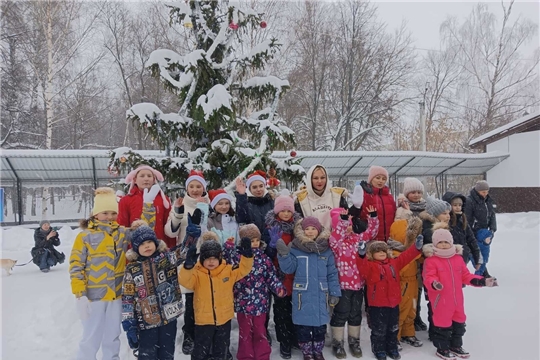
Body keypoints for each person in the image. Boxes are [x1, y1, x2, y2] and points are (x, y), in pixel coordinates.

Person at [70, 187, 147, 360]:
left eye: (113, 213)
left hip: (116, 294)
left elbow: (143, 233)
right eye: (105, 212)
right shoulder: (85, 236)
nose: (109, 217)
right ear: (95, 214)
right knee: (91, 335)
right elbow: (76, 266)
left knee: (112, 335)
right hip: (93, 296)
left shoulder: (121, 233)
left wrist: (147, 205)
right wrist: (80, 294)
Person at [422, 225, 498, 360]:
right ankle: (442, 348)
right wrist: (434, 284)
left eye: (446, 242)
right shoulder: (431, 261)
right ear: (434, 244)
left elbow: (466, 276)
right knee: (443, 324)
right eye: (440, 242)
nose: (444, 245)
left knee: (459, 322)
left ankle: (456, 345)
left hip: (457, 299)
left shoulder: (457, 259)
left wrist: (482, 281)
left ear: (451, 242)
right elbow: (428, 277)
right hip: (441, 299)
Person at [275, 217, 341, 360]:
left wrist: (335, 292)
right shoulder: (296, 248)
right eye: (307, 229)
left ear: (319, 231)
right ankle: (307, 352)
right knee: (304, 327)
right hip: (302, 296)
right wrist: (284, 255)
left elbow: (332, 273)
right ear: (302, 231)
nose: (310, 232)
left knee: (319, 327)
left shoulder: (326, 250)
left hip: (320, 294)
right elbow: (288, 268)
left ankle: (317, 351)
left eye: (313, 229)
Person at [179, 237, 254, 360]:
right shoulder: (197, 273)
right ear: (202, 258)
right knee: (200, 351)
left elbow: (244, 269)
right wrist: (188, 266)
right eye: (208, 258)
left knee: (221, 350)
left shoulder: (228, 270)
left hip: (224, 320)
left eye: (214, 258)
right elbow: (184, 281)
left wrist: (247, 256)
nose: (211, 261)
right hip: (203, 321)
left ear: (219, 257)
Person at [223, 225, 287, 360]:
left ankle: (262, 355)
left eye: (257, 240)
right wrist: (228, 248)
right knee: (245, 332)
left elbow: (271, 276)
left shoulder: (264, 259)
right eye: (251, 241)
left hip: (260, 303)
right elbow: (226, 264)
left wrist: (278, 288)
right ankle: (246, 356)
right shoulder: (237, 257)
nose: (255, 243)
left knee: (260, 331)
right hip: (243, 303)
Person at [121, 226, 184, 360]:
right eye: (142, 244)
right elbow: (127, 298)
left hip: (169, 319)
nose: (147, 246)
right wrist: (129, 324)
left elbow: (185, 250)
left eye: (149, 242)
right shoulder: (132, 269)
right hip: (145, 322)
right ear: (136, 248)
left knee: (167, 354)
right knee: (147, 355)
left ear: (155, 243)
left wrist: (192, 234)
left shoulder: (166, 259)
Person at [356, 235, 424, 360]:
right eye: (377, 251)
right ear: (371, 254)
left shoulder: (394, 263)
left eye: (383, 250)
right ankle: (379, 349)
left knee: (393, 328)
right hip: (377, 304)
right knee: (379, 329)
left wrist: (416, 247)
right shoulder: (370, 266)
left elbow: (406, 257)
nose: (381, 253)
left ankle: (391, 347)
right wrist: (361, 255)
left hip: (393, 303)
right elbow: (361, 266)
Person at [164, 169, 209, 354]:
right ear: (187, 188)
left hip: (208, 256)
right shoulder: (181, 205)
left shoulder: (210, 205)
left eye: (199, 186)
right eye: (192, 186)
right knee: (190, 298)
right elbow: (170, 232)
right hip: (188, 257)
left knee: (205, 297)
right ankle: (189, 333)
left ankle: (204, 332)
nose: (196, 189)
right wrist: (177, 213)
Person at [328, 206, 378, 359]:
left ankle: (353, 341)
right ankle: (337, 342)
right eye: (343, 225)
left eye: (349, 224)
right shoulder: (335, 243)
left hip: (358, 285)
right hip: (342, 287)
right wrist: (342, 222)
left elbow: (371, 233)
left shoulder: (358, 239)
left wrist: (373, 217)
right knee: (341, 314)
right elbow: (336, 236)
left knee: (355, 314)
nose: (347, 227)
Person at [265, 191, 302, 359]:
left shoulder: (299, 227)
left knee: (296, 309)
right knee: (281, 311)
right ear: (276, 211)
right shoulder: (271, 227)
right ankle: (284, 341)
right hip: (278, 276)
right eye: (283, 210)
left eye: (289, 211)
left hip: (296, 275)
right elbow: (267, 253)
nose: (286, 214)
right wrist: (272, 246)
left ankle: (294, 337)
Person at [394, 177, 427, 332]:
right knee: (408, 289)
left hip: (422, 253)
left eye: (418, 192)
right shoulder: (402, 209)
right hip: (408, 252)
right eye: (412, 192)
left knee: (418, 289)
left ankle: (416, 315)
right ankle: (406, 319)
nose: (416, 195)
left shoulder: (426, 208)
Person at [387, 216, 423, 348]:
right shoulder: (394, 252)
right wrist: (411, 253)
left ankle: (408, 333)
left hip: (413, 283)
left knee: (412, 310)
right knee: (401, 311)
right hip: (402, 285)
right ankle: (395, 336)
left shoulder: (412, 250)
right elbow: (398, 268)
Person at [118, 165, 175, 248]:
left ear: (154, 179)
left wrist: (171, 247)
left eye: (149, 176)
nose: (146, 179)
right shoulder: (126, 200)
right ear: (135, 180)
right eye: (142, 176)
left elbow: (168, 225)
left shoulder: (163, 199)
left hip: (158, 245)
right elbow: (122, 226)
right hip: (136, 247)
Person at [419, 196, 452, 339]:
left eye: (448, 213)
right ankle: (435, 330)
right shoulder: (429, 229)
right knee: (435, 301)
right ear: (434, 214)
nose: (448, 216)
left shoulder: (447, 227)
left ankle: (442, 327)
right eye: (444, 213)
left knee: (443, 300)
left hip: (446, 272)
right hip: (433, 273)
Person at [294, 164, 363, 232]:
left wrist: (356, 207)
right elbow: (298, 226)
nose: (319, 181)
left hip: (335, 240)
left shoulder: (337, 196)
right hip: (312, 241)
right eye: (315, 178)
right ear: (310, 180)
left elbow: (348, 218)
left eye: (322, 177)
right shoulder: (301, 200)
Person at [464, 180, 497, 278]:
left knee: (481, 253)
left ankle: (482, 272)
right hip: (474, 232)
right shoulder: (469, 201)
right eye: (483, 192)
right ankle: (481, 273)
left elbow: (492, 215)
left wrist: (492, 229)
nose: (485, 194)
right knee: (474, 253)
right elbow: (467, 218)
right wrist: (470, 233)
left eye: (487, 191)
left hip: (484, 232)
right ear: (477, 191)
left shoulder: (488, 201)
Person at [441, 192, 482, 268]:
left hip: (462, 256)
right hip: (448, 257)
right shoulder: (445, 221)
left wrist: (477, 258)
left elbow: (471, 239)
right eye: (455, 205)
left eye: (460, 205)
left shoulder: (462, 220)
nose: (457, 207)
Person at [235, 171, 275, 248]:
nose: (258, 189)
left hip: (270, 241)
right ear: (249, 188)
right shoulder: (246, 203)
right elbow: (241, 218)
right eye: (254, 187)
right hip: (254, 243)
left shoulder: (271, 201)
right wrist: (241, 196)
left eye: (261, 186)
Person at [360, 166, 396, 242]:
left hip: (389, 238)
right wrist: (368, 196)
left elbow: (394, 215)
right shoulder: (365, 195)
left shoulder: (389, 197)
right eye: (378, 178)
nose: (381, 181)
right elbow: (363, 215)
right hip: (372, 238)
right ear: (371, 179)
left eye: (384, 179)